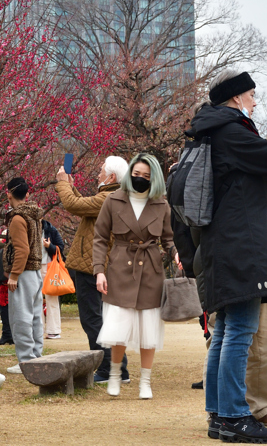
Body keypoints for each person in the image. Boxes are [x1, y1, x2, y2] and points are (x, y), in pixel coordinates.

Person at [185, 69, 267, 443]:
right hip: (240, 248)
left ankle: (218, 415)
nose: (256, 102)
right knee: (240, 331)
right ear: (236, 98)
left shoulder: (213, 134)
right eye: (252, 95)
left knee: (227, 331)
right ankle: (232, 417)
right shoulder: (232, 132)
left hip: (224, 248)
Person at [93, 153, 175, 400]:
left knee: (149, 329)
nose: (140, 179)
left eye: (146, 176)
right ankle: (116, 375)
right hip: (119, 270)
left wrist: (176, 252)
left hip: (151, 271)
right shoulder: (113, 200)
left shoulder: (161, 204)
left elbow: (169, 239)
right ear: (129, 175)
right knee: (118, 327)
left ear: (155, 179)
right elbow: (99, 238)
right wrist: (99, 271)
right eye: (136, 174)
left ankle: (146, 382)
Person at [54, 155, 131, 383]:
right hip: (101, 265)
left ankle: (108, 370)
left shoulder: (109, 197)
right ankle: (118, 370)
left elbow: (73, 205)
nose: (97, 174)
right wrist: (72, 188)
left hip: (92, 267)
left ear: (112, 177)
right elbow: (84, 207)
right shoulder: (115, 196)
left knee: (93, 319)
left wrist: (62, 183)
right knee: (104, 320)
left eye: (101, 171)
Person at [3, 177, 44, 374]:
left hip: (23, 273)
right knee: (36, 316)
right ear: (27, 194)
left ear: (8, 193)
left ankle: (26, 360)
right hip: (36, 272)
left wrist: (14, 274)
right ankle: (36, 356)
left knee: (21, 317)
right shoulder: (35, 216)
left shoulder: (18, 218)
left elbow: (22, 250)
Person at [41, 218, 66, 340]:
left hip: (49, 266)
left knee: (52, 298)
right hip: (32, 267)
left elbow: (60, 247)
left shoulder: (49, 228)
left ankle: (54, 330)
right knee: (35, 299)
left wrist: (49, 246)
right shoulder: (27, 227)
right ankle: (37, 330)